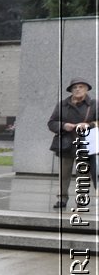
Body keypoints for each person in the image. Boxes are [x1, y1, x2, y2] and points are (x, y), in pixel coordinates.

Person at [49, 78, 95, 210]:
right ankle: (62, 198)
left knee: (83, 174)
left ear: (86, 89)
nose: (78, 89)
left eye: (81, 86)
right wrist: (63, 125)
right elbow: (51, 123)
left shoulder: (93, 104)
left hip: (85, 144)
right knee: (64, 174)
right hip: (66, 144)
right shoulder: (62, 105)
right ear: (71, 90)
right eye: (75, 87)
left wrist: (89, 125)